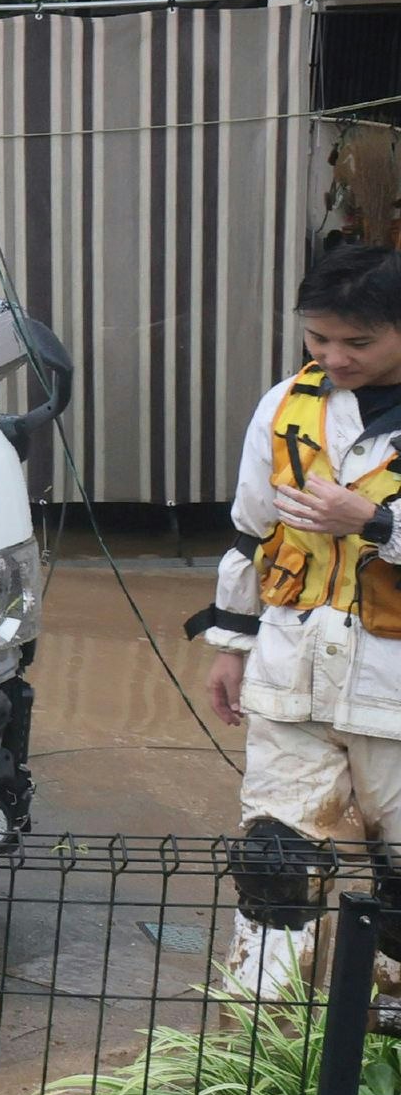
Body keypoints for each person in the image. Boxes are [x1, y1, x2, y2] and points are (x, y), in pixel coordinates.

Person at [194, 239, 401, 1002]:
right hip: (293, 676)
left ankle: (384, 1073)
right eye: (318, 337)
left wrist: (375, 522)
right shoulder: (287, 405)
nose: (334, 357)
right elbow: (251, 531)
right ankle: (257, 1063)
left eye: (358, 341)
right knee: (275, 866)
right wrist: (232, 643)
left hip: (394, 696)